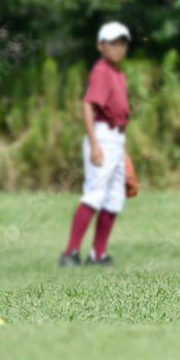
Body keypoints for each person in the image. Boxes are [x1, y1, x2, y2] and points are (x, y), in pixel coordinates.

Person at [58, 22, 131, 267]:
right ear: (100, 46)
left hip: (116, 139)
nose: (118, 48)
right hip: (102, 136)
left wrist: (122, 151)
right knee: (95, 195)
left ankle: (98, 255)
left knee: (115, 198)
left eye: (122, 43)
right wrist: (94, 143)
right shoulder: (101, 71)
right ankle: (70, 253)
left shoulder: (118, 74)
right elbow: (88, 105)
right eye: (112, 43)